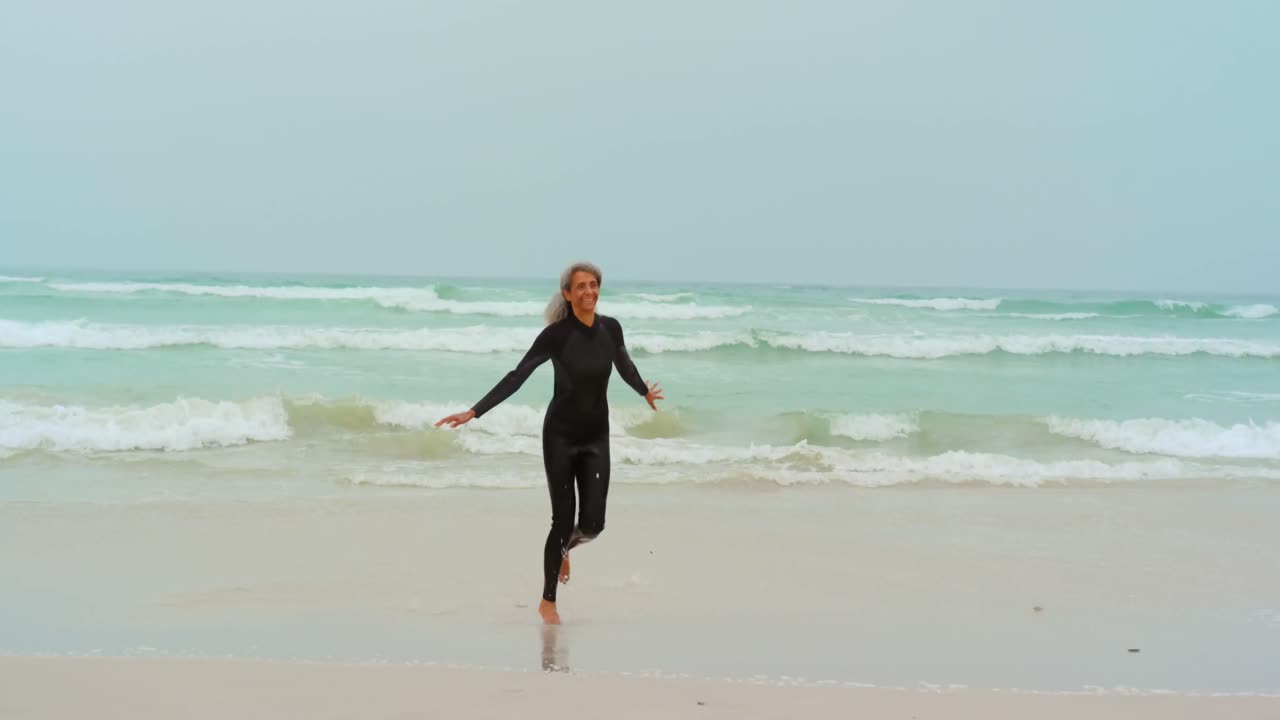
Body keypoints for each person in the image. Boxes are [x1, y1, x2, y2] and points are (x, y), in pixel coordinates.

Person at [435, 261, 663, 624]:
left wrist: (643, 391)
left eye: (593, 285)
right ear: (568, 294)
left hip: (596, 437)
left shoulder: (611, 328)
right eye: (581, 286)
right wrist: (474, 412)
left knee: (593, 524)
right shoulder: (556, 336)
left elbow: (623, 363)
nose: (589, 291)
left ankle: (566, 549)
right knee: (562, 520)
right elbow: (517, 376)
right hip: (559, 437)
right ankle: (548, 601)